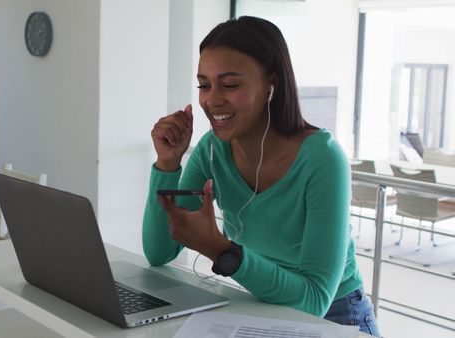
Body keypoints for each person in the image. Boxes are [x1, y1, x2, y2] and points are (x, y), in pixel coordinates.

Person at [143, 16, 380, 336]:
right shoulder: (212, 150)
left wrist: (224, 252)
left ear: (273, 84)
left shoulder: (323, 158)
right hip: (261, 304)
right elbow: (159, 253)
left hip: (337, 315)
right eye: (204, 85)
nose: (212, 100)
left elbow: (314, 300)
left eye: (230, 85)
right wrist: (167, 165)